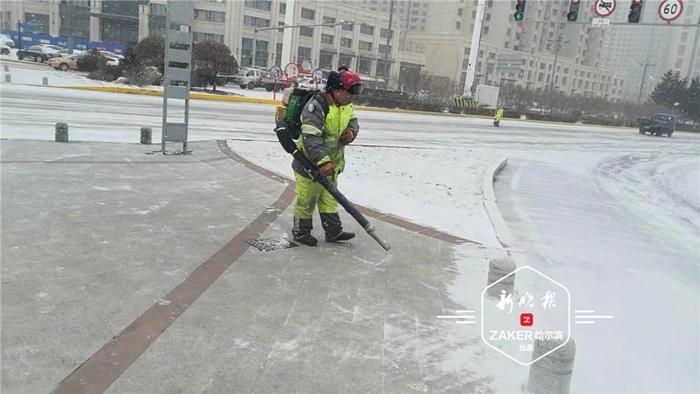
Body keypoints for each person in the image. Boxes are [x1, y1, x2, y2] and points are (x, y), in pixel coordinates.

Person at [291, 66, 364, 246]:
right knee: (307, 198)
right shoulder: (317, 105)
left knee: (330, 198)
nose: (352, 97)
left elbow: (353, 120)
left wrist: (351, 131)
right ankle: (301, 232)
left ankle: (333, 231)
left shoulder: (345, 105)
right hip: (310, 164)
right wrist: (322, 162)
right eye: (350, 92)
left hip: (332, 164)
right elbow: (310, 137)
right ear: (337, 90)